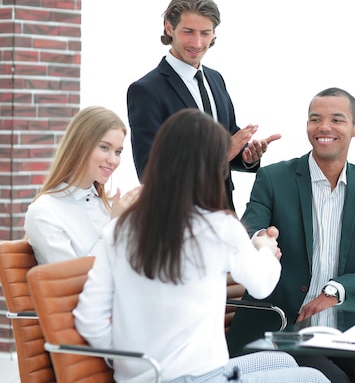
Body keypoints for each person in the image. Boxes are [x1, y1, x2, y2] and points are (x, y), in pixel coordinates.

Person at [73, 109, 329, 383]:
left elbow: (89, 318)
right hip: (201, 377)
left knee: (282, 360)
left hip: (148, 377)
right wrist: (265, 249)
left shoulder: (119, 229)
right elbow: (263, 284)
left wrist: (126, 361)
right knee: (314, 378)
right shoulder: (217, 227)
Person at [227, 88, 355, 383]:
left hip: (345, 333)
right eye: (315, 119)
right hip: (283, 330)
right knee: (332, 380)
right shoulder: (274, 178)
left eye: (336, 120)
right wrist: (262, 240)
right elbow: (250, 228)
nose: (324, 127)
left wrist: (335, 290)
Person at [127, 0, 280, 211]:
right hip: (178, 219)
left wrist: (246, 156)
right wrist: (221, 154)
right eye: (188, 31)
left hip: (225, 213)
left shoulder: (216, 79)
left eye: (205, 33)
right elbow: (148, 172)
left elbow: (227, 138)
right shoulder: (146, 91)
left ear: (214, 33)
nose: (197, 43)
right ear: (169, 28)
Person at [24, 106, 140, 265]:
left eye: (118, 152)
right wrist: (114, 227)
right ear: (80, 145)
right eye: (104, 147)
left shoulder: (110, 207)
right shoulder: (44, 212)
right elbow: (72, 282)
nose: (113, 160)